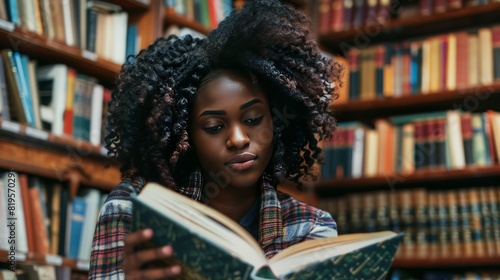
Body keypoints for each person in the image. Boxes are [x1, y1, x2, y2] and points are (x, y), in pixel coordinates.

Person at [89, 0, 342, 278]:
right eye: (213, 126)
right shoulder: (133, 208)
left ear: (276, 121)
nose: (238, 139)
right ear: (186, 137)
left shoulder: (311, 227)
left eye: (253, 120)